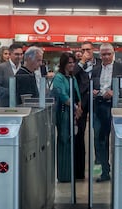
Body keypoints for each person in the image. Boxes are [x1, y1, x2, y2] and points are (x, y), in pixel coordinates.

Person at [91, 43, 122, 182]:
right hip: (99, 106)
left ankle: (121, 170)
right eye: (103, 54)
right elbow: (92, 85)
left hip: (115, 107)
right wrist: (93, 92)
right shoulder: (95, 70)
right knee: (100, 140)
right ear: (99, 55)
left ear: (113, 53)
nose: (106, 56)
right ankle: (105, 171)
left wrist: (115, 93)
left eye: (109, 54)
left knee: (119, 139)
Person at [51, 52, 82, 182]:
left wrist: (79, 107)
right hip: (64, 112)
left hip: (73, 113)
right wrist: (75, 107)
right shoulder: (59, 78)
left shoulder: (72, 78)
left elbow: (77, 93)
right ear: (63, 63)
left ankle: (71, 172)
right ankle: (63, 175)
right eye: (69, 62)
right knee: (64, 140)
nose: (72, 65)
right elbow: (62, 96)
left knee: (71, 141)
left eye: (73, 62)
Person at [73, 41, 101, 179]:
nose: (86, 52)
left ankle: (101, 166)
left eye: (88, 49)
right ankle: (79, 170)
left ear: (93, 50)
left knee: (99, 133)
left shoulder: (100, 63)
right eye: (83, 49)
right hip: (82, 102)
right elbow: (72, 74)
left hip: (98, 101)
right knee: (79, 134)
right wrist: (82, 61)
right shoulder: (78, 65)